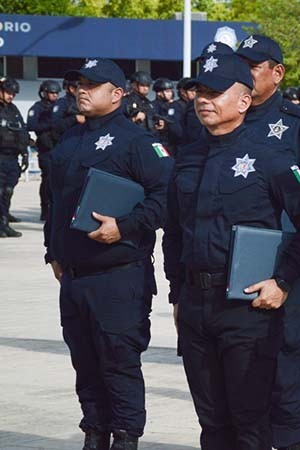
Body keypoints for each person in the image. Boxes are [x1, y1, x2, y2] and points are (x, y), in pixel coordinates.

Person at [162, 53, 300, 450]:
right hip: (196, 304)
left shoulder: (270, 157)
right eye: (200, 91)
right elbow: (174, 231)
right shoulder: (187, 158)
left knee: (250, 422)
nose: (204, 99)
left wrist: (284, 280)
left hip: (247, 307)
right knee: (212, 422)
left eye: (216, 92)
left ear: (242, 101)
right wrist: (176, 292)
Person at [44, 58, 173, 450]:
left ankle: (126, 438)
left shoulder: (138, 143)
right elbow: (54, 202)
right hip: (75, 277)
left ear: (117, 94)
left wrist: (125, 226)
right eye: (78, 83)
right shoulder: (68, 140)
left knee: (119, 364)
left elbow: (167, 199)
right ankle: (95, 433)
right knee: (85, 365)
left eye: (92, 84)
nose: (82, 90)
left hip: (118, 275)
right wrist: (53, 250)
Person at [235, 33, 300, 450]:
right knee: (237, 379)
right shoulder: (222, 121)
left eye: (253, 66)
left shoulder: (299, 126)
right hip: (232, 271)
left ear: (277, 73)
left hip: (285, 269)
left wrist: (290, 269)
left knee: (282, 372)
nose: (242, 74)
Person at [28, 79, 62, 221]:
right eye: (52, 93)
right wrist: (50, 123)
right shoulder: (38, 107)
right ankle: (45, 208)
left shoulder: (61, 106)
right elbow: (31, 125)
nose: (55, 95)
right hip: (46, 150)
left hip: (59, 148)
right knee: (47, 179)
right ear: (44, 93)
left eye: (56, 93)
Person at [0, 78, 28, 237]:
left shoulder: (13, 110)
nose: (11, 96)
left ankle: (4, 222)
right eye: (9, 93)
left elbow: (22, 131)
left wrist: (24, 153)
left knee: (8, 191)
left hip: (12, 158)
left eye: (13, 94)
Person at [152, 78, 183, 150]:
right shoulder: (153, 106)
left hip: (177, 144)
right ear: (159, 93)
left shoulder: (176, 105)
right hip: (160, 143)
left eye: (170, 91)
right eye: (167, 91)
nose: (170, 93)